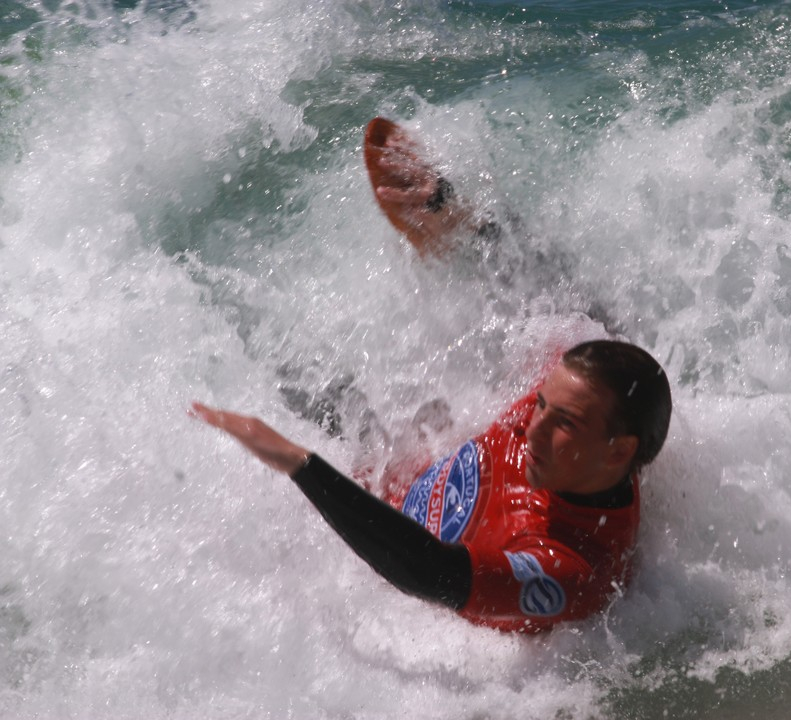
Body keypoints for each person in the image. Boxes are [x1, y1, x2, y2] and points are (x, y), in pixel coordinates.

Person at [192, 119, 673, 632]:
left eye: (564, 424)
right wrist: (455, 215)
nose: (532, 427)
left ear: (620, 450)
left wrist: (298, 462)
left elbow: (429, 573)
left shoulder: (576, 566)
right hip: (389, 459)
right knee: (252, 349)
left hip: (363, 527)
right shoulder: (579, 399)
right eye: (540, 406)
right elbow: (566, 305)